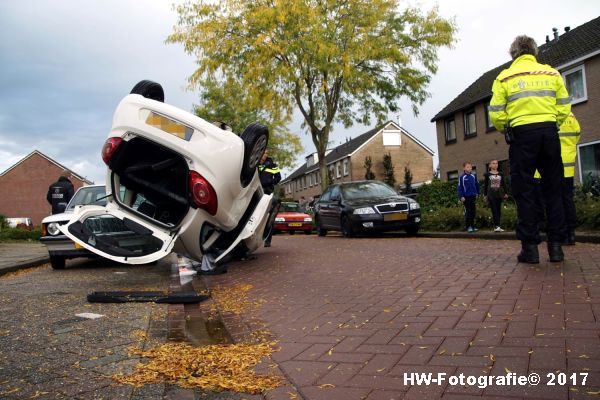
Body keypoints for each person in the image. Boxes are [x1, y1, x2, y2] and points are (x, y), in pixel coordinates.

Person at [489, 35, 571, 263]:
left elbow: (495, 112)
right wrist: (553, 123)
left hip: (522, 136)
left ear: (513, 54)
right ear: (535, 53)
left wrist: (507, 127)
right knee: (554, 190)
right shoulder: (552, 74)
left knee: (524, 192)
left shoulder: (505, 77)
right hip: (549, 133)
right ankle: (556, 247)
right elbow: (564, 105)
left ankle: (530, 249)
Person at [533, 112, 581, 245]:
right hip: (568, 166)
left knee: (553, 201)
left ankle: (558, 234)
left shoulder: (548, 115)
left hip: (551, 166)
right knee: (568, 199)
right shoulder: (571, 116)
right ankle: (571, 234)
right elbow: (577, 135)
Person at [258, 149, 281, 247]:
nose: (265, 155)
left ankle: (268, 240)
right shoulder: (254, 164)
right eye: (263, 153)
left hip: (267, 192)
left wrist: (270, 182)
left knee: (269, 217)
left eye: (266, 153)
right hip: (255, 192)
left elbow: (278, 177)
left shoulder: (273, 165)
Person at [483, 160, 509, 232]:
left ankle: (499, 226)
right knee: (494, 210)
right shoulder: (487, 174)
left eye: (496, 163)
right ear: (490, 165)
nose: (495, 165)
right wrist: (485, 195)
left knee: (498, 210)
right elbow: (485, 185)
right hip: (491, 195)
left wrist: (506, 193)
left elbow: (503, 184)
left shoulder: (500, 174)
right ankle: (496, 226)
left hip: (499, 194)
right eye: (493, 163)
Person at [457, 162, 480, 233]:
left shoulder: (473, 176)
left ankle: (473, 226)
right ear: (464, 168)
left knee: (473, 212)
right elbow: (459, 188)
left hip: (473, 196)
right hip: (466, 197)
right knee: (468, 212)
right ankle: (468, 226)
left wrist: (477, 193)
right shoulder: (462, 177)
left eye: (470, 167)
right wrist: (461, 196)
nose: (469, 168)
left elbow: (477, 185)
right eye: (467, 167)